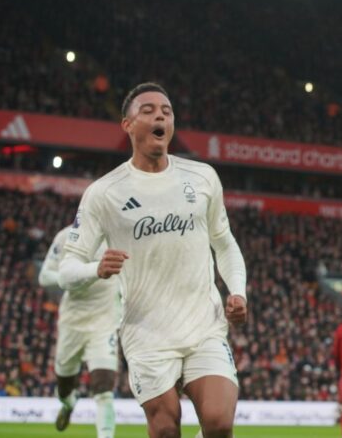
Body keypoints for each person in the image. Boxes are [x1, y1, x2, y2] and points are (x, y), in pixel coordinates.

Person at [58, 82, 248, 438]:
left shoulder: (202, 177)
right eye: (147, 110)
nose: (160, 114)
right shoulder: (104, 193)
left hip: (204, 327)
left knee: (220, 424)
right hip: (146, 335)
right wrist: (94, 268)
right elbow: (66, 270)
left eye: (167, 110)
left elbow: (225, 243)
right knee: (164, 430)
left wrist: (237, 291)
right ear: (127, 125)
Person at [39, 223, 122, 436]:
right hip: (72, 322)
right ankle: (68, 403)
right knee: (64, 385)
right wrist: (71, 278)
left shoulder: (119, 235)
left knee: (104, 389)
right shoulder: (66, 236)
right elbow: (44, 276)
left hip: (105, 320)